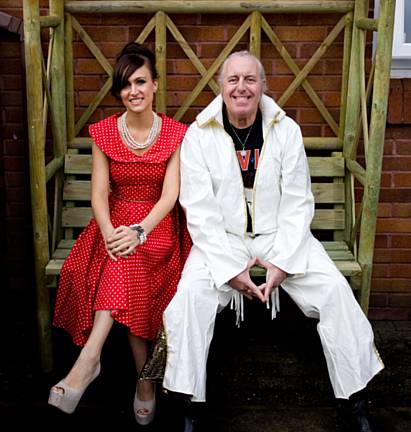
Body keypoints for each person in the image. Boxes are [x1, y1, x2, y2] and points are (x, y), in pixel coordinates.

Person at [161, 50, 383, 432]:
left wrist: (281, 262)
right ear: (220, 87)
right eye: (233, 79)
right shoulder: (199, 134)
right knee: (188, 301)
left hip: (281, 236)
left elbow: (298, 202)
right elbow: (198, 210)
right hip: (225, 240)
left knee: (334, 291)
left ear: (263, 86)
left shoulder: (285, 129)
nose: (241, 87)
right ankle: (188, 406)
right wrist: (230, 270)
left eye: (250, 79)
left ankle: (354, 401)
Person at [48, 42, 190, 425]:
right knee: (124, 264)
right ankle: (144, 381)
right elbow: (98, 194)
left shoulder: (176, 133)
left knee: (130, 259)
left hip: (157, 227)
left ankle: (88, 361)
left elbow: (170, 195)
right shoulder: (105, 133)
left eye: (141, 81)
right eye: (126, 85)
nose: (134, 91)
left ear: (156, 85)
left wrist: (140, 231)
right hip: (113, 222)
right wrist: (111, 233)